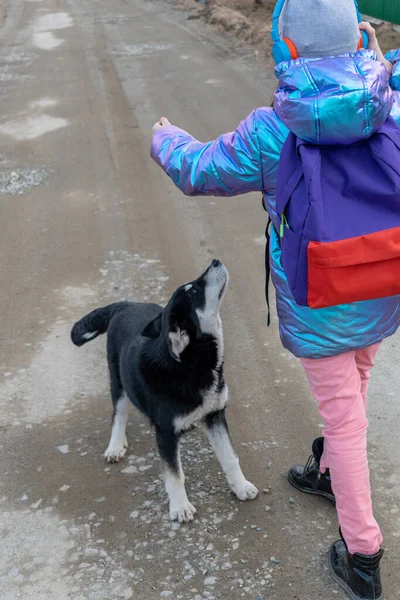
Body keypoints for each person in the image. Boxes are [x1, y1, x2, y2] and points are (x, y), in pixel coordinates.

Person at [150, 1, 400, 598]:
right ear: (359, 35)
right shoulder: (390, 100)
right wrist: (377, 60)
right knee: (355, 384)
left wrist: (165, 138)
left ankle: (363, 552)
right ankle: (328, 471)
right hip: (381, 285)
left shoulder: (273, 127)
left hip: (318, 300)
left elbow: (199, 170)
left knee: (343, 415)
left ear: (284, 51)